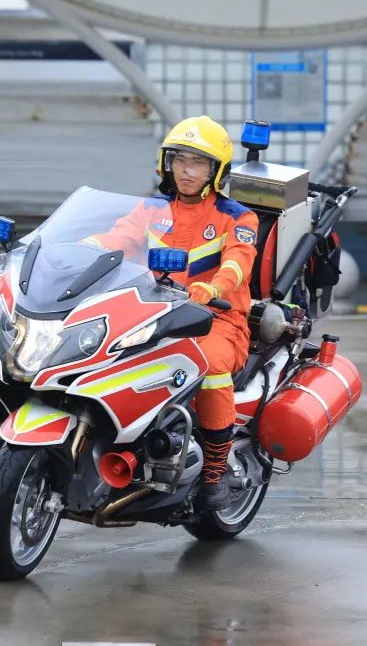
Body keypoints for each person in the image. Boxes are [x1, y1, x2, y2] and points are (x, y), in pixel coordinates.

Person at [82, 115, 258, 511]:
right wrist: (75, 251)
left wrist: (214, 288)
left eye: (197, 163)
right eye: (179, 159)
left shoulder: (237, 217)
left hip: (215, 319)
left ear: (216, 171)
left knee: (209, 367)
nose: (186, 170)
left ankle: (214, 472)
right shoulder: (150, 210)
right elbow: (115, 239)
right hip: (152, 313)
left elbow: (238, 262)